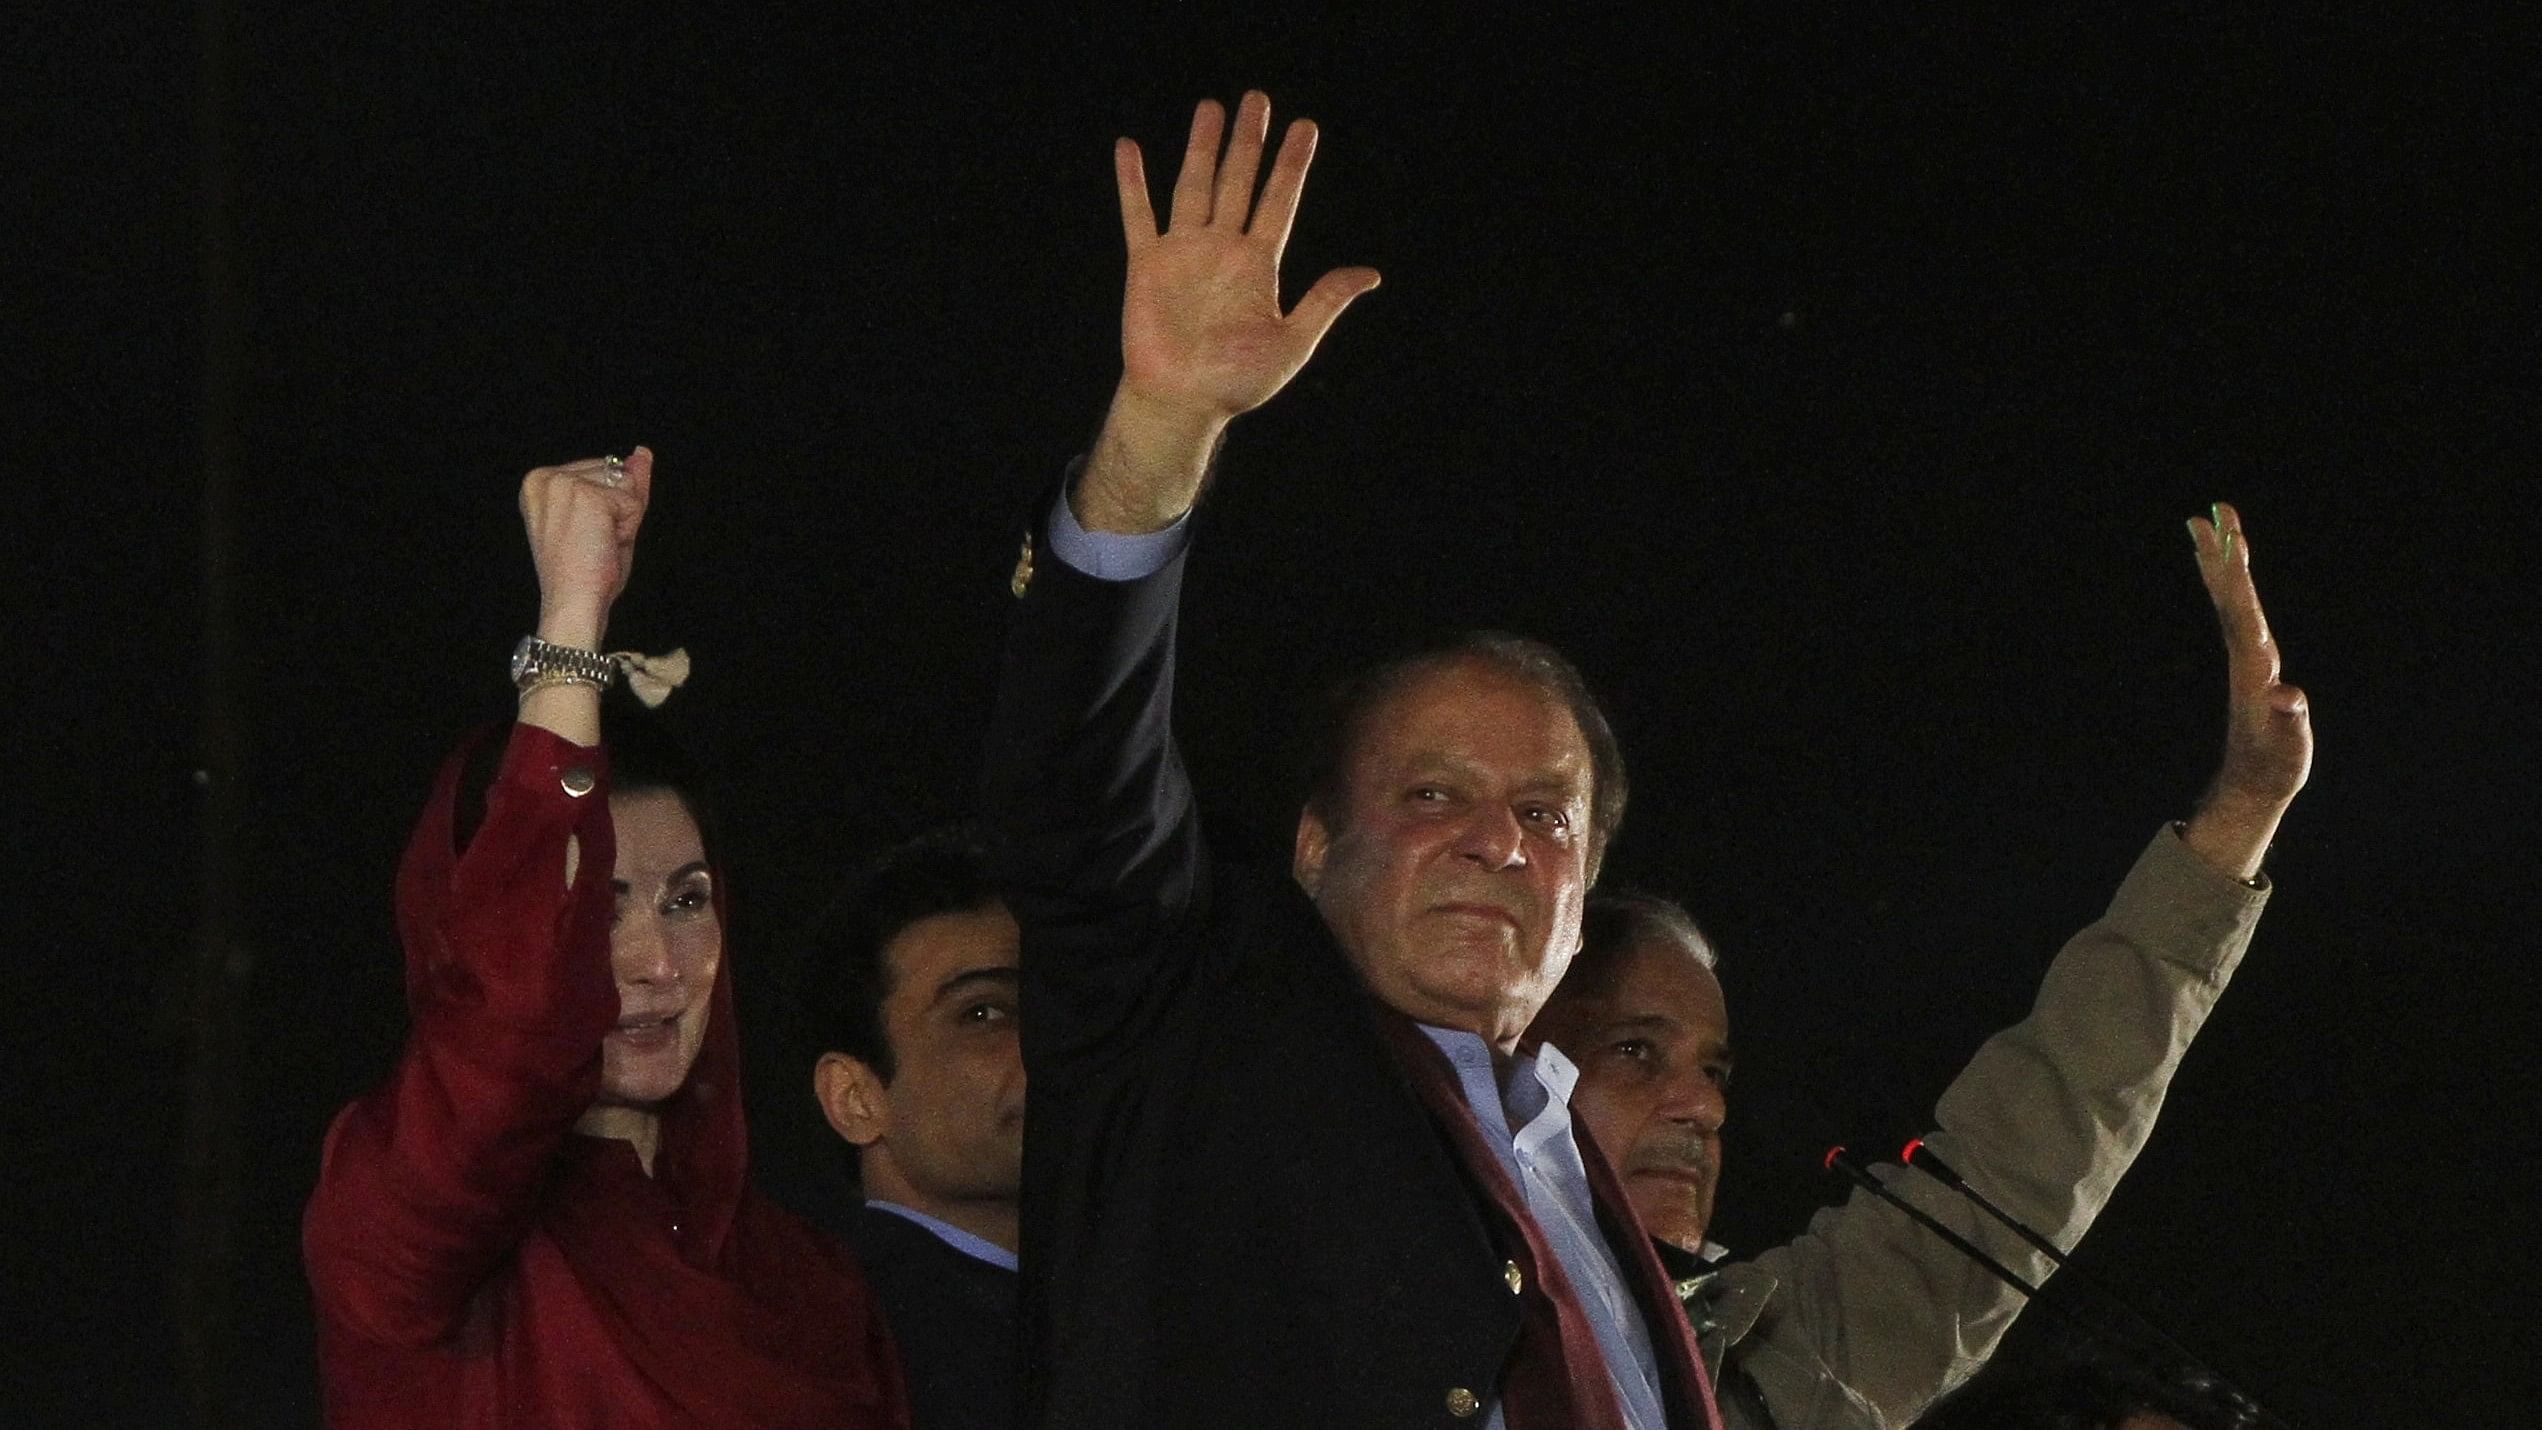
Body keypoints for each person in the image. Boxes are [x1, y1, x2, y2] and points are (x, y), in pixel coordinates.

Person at [985, 93, 1717, 1428]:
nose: (1497, 841)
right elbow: (1076, 777)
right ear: (1314, 839)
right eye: (1433, 793)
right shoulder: (1189, 1017)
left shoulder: (1571, 1156)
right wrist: (1160, 429)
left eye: (1544, 814)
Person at [1526, 505, 2312, 1429]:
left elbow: (2039, 1135)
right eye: (1633, 1052)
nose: (1702, 1108)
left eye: (1713, 1071)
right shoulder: (1396, 1304)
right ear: (1510, 1066)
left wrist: (2244, 809)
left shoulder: (1792, 1346)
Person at [303, 449, 909, 1428]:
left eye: (685, 899)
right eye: (597, 907)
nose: (656, 963)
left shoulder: (807, 1283)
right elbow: (509, 1027)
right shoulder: (402, 1235)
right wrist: (570, 633)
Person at [804, 827, 1026, 1430]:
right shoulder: (847, 1345)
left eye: (1051, 1005)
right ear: (855, 1100)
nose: (1043, 1045)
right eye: (981, 1013)